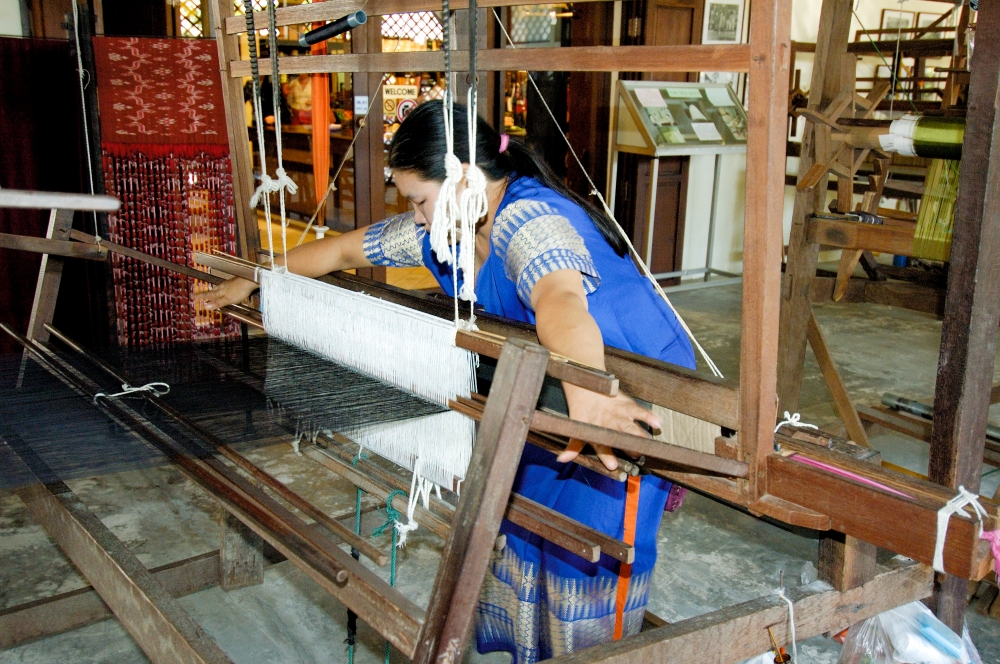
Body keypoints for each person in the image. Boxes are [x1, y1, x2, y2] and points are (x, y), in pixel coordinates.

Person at [198, 100, 695, 663]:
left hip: (624, 386)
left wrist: (588, 397)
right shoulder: (447, 230)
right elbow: (342, 248)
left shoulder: (528, 222)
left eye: (419, 201)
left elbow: (559, 299)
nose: (416, 217)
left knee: (588, 548)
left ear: (466, 179)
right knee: (522, 523)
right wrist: (260, 279)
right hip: (552, 382)